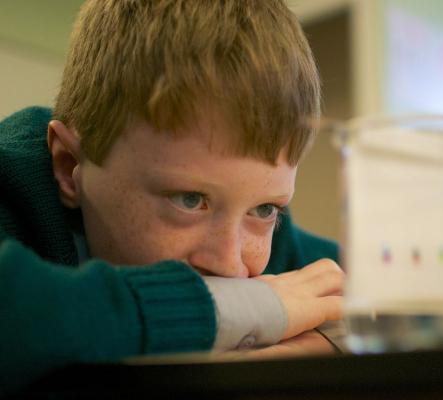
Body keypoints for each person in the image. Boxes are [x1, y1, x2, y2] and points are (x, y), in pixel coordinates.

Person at [0, 0, 344, 394]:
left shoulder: (252, 229)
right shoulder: (11, 186)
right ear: (68, 167)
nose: (232, 266)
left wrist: (326, 344)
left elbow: (379, 295)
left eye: (264, 209)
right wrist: (240, 312)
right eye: (189, 200)